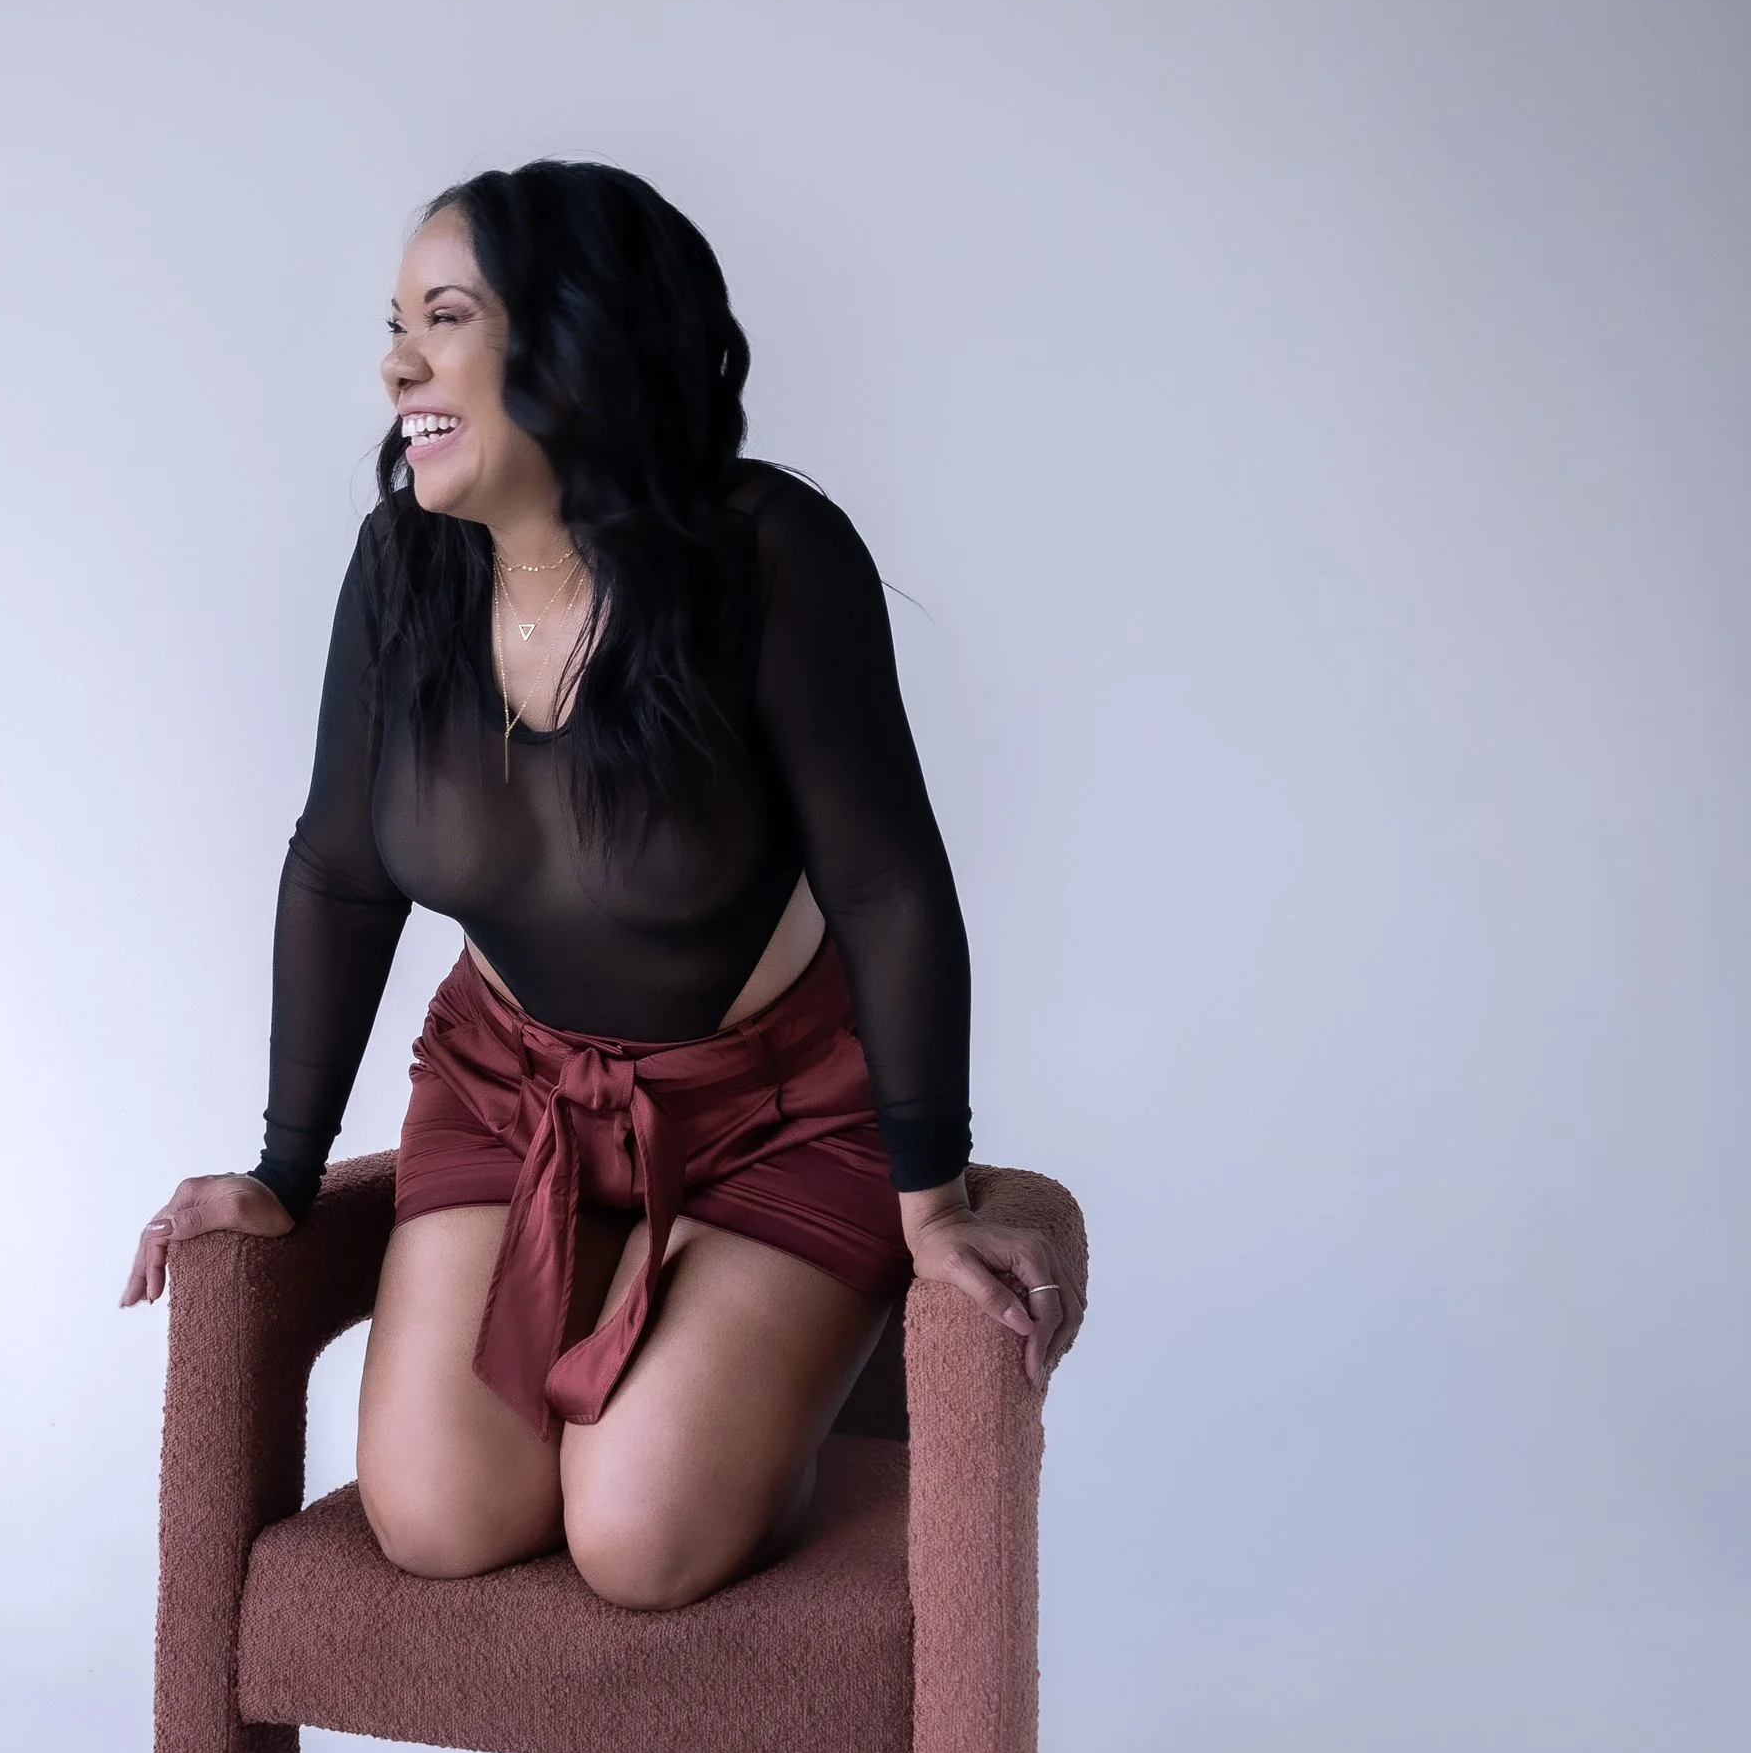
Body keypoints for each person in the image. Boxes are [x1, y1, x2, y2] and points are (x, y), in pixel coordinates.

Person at [122, 161, 1077, 1609]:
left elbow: (887, 886)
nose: (396, 362)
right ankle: (655, 1297)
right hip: (513, 1090)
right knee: (436, 1515)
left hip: (773, 1110)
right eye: (394, 323)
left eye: (443, 318)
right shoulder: (402, 569)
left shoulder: (770, 557)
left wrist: (935, 1196)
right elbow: (337, 865)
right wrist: (279, 1168)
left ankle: (793, 1364)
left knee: (636, 1537)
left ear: (571, 343)